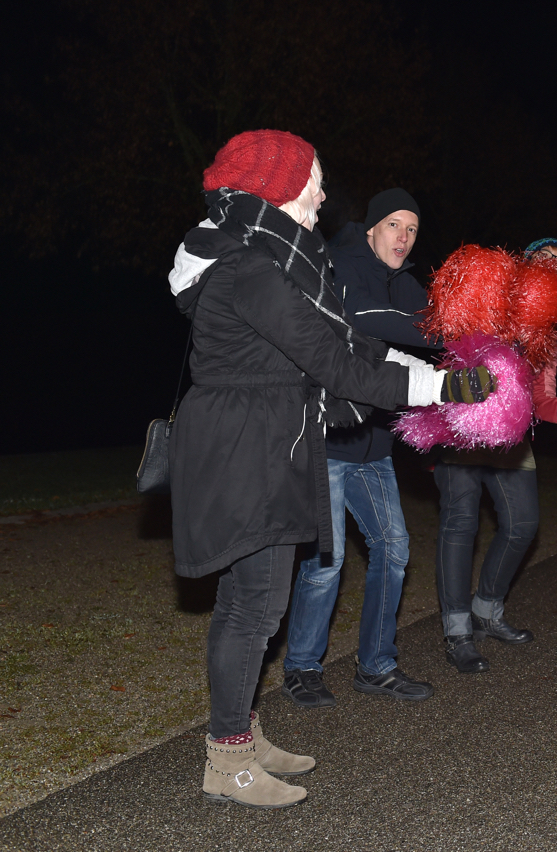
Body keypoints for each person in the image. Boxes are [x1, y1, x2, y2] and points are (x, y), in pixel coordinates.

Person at [168, 130, 493, 809]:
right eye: (311, 179)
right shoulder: (250, 267)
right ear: (273, 187)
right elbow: (337, 363)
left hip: (267, 442)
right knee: (253, 606)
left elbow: (347, 343)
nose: (322, 193)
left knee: (257, 603)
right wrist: (440, 391)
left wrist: (431, 375)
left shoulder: (267, 259)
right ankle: (227, 761)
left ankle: (239, 734)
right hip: (245, 449)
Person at [281, 188, 441, 708]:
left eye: (412, 228)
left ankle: (376, 664)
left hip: (374, 444)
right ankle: (302, 666)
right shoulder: (341, 263)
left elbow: (429, 353)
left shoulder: (408, 283)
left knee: (393, 549)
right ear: (371, 228)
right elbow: (368, 319)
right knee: (326, 563)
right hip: (328, 438)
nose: (404, 236)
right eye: (394, 224)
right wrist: (450, 325)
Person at [432, 238, 557, 674]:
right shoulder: (488, 296)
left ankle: (486, 610)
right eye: (541, 257)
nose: (549, 265)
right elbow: (448, 348)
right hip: (461, 424)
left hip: (511, 439)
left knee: (523, 523)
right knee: (461, 521)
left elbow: (541, 399)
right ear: (522, 264)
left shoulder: (546, 336)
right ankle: (457, 632)